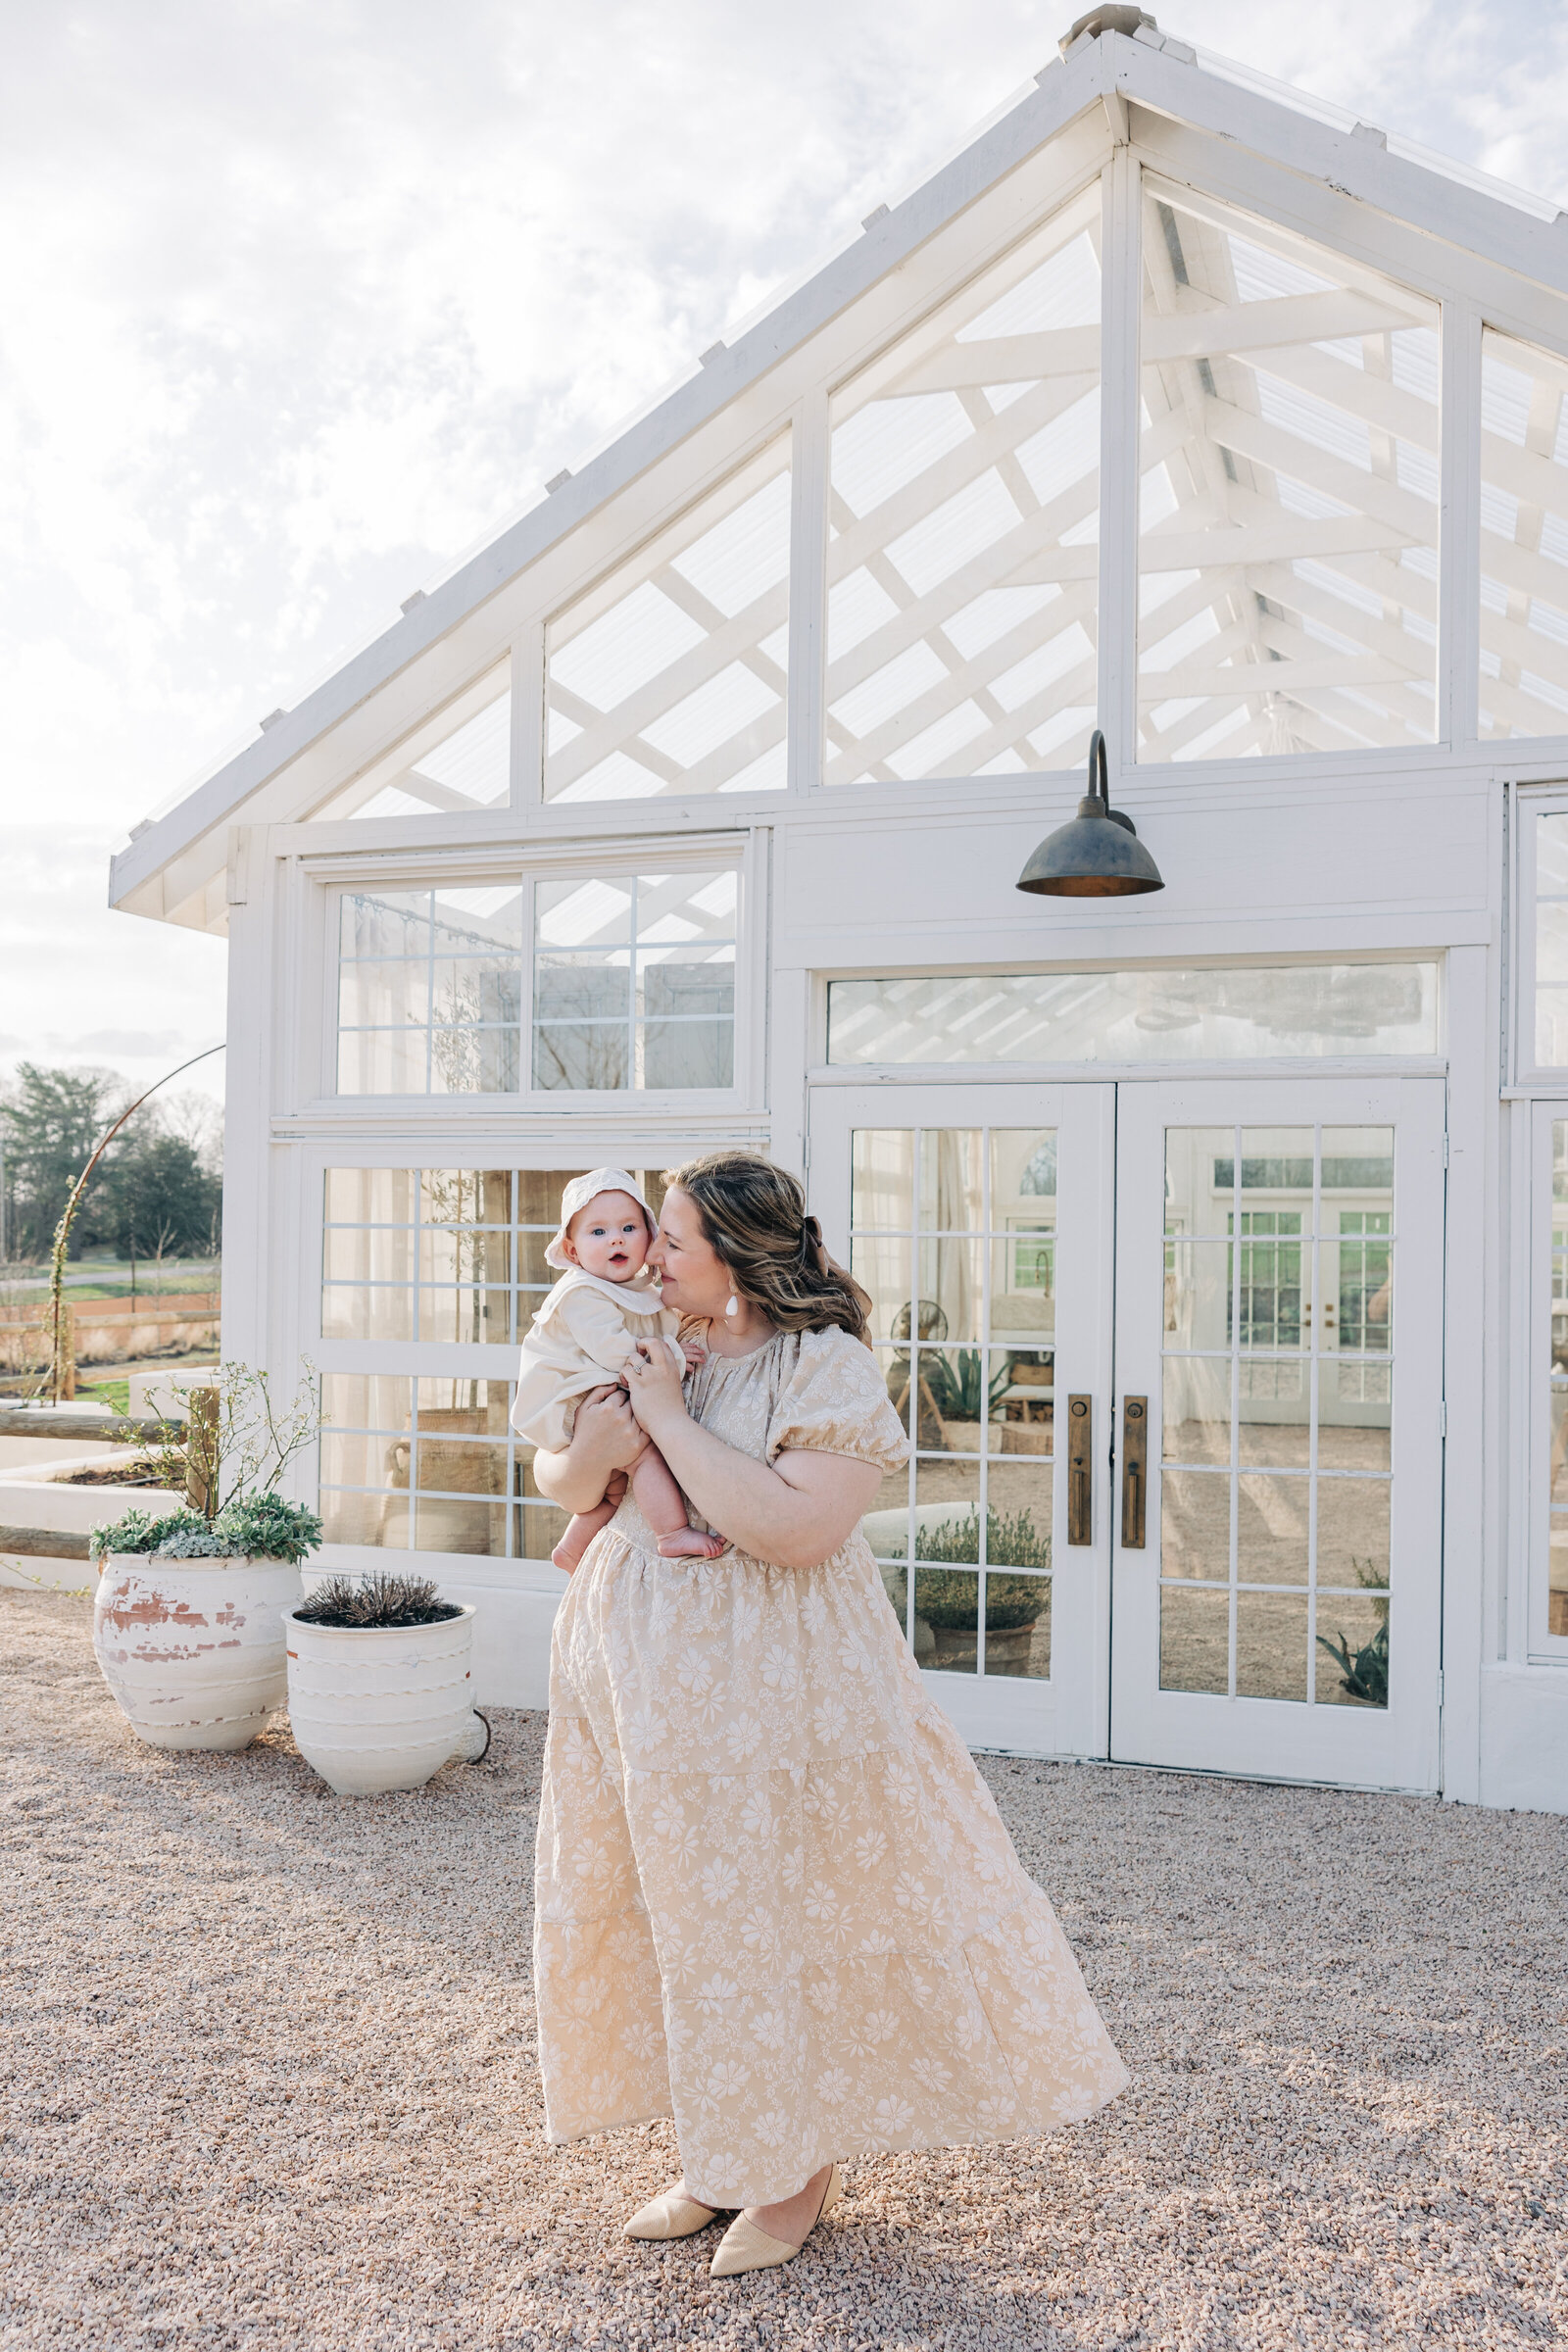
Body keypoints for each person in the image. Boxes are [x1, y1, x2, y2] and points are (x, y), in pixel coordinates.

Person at [530, 1152, 1128, 2280]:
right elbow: (559, 1477)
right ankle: (723, 2150)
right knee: (684, 1916)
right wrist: (593, 1450)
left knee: (777, 1915)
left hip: (778, 1695)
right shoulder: (654, 1333)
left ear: (734, 1258)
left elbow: (795, 1532)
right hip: (642, 1693)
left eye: (672, 1238)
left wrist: (661, 1416)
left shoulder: (825, 1365)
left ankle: (793, 2169)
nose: (649, 1253)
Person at [511, 1169, 725, 1571]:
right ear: (573, 1252)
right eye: (598, 1232)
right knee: (644, 1455)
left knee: (616, 1486)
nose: (616, 1239)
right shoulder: (582, 1292)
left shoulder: (635, 1291)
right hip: (575, 1399)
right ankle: (671, 1534)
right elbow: (617, 1355)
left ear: (649, 1234)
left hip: (598, 1395)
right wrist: (674, 1355)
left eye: (629, 1227)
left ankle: (571, 1547)